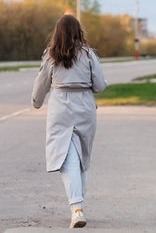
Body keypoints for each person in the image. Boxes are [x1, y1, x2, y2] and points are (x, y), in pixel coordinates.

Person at [31, 14, 107, 228]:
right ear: (78, 32)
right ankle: (78, 207)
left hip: (60, 108)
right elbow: (100, 86)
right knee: (81, 157)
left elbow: (41, 84)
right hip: (85, 107)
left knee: (66, 158)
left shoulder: (51, 55)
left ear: (57, 33)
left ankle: (77, 208)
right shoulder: (89, 55)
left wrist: (36, 102)